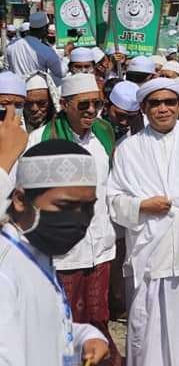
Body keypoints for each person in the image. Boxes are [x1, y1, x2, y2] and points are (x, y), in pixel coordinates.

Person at [107, 78, 179, 366]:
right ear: (143, 108)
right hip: (148, 254)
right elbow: (113, 198)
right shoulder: (129, 149)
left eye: (170, 102)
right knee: (145, 332)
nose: (163, 109)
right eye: (155, 103)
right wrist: (141, 205)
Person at [27, 73, 120, 363]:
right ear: (64, 104)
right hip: (62, 252)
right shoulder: (40, 139)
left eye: (97, 103)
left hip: (99, 248)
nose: (92, 111)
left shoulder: (104, 133)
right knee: (65, 324)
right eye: (84, 105)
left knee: (98, 318)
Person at [2, 137, 111, 365]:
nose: (79, 219)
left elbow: (46, 327)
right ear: (21, 200)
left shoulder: (35, 253)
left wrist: (87, 338)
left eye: (87, 207)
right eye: (65, 207)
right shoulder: (6, 268)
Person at [6, 12, 63, 85]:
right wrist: (66, 56)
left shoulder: (11, 46)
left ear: (30, 28)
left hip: (17, 89)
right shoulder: (46, 50)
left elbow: (7, 67)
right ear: (44, 28)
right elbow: (60, 72)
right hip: (36, 91)